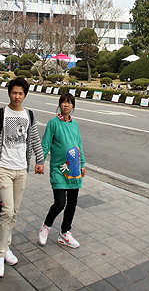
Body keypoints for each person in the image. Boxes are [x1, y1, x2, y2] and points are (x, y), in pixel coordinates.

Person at [0, 77, 44, 278]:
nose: (16, 96)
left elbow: (34, 138)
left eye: (20, 93)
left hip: (21, 170)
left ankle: (6, 247)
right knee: (7, 211)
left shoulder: (29, 115)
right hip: (3, 169)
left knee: (14, 212)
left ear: (25, 95)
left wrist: (40, 160)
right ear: (9, 93)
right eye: (14, 92)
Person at [38, 93, 85, 249]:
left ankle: (65, 233)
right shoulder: (53, 123)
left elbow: (78, 145)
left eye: (70, 103)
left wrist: (82, 164)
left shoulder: (74, 124)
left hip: (74, 169)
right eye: (64, 102)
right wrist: (40, 161)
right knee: (60, 203)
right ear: (60, 105)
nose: (67, 105)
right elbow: (45, 144)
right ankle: (46, 226)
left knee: (72, 203)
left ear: (73, 106)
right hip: (59, 169)